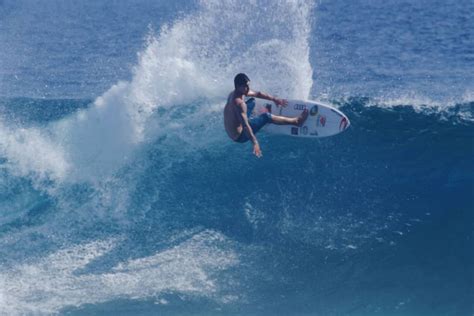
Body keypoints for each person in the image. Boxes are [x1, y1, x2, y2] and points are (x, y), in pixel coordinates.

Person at [224, 73, 308, 158]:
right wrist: (255, 142)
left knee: (252, 101)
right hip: (240, 136)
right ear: (238, 86)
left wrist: (275, 99)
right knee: (266, 116)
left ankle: (257, 118)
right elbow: (245, 126)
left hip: (233, 128)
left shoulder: (234, 93)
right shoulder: (240, 104)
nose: (248, 89)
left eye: (248, 85)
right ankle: (296, 122)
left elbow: (258, 94)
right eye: (245, 86)